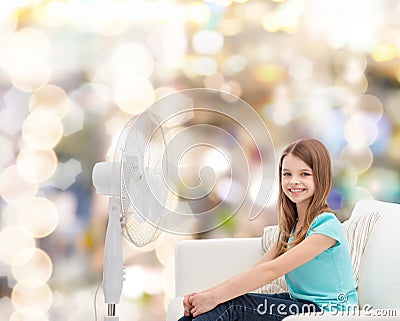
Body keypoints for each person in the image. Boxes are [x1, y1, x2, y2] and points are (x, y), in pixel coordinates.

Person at [178, 138, 358, 320]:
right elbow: (257, 269)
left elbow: (271, 271)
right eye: (287, 174)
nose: (294, 181)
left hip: (329, 312)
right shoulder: (292, 227)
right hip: (300, 304)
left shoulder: (326, 226)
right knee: (216, 305)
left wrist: (214, 298)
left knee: (231, 306)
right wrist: (203, 296)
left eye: (304, 174)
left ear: (321, 176)